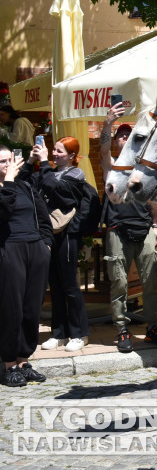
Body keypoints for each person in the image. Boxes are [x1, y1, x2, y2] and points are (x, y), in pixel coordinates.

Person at [100, 103, 157, 353]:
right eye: (121, 135)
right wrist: (108, 123)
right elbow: (103, 148)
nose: (124, 138)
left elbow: (150, 201)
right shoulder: (111, 166)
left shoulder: (141, 168)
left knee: (151, 282)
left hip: (145, 228)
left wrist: (155, 225)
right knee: (119, 282)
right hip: (117, 228)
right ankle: (122, 329)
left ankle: (152, 328)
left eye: (128, 135)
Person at [27, 137, 91, 351]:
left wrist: (44, 163)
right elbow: (25, 182)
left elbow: (59, 192)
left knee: (70, 285)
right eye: (53, 150)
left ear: (72, 155)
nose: (54, 154)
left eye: (59, 151)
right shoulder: (47, 172)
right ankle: (59, 333)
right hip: (48, 233)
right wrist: (30, 161)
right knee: (54, 285)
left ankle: (79, 333)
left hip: (68, 235)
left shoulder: (75, 174)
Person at [0, 147, 52, 386]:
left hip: (35, 249)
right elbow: (3, 210)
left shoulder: (25, 187)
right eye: (2, 162)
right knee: (12, 307)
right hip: (9, 249)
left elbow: (43, 217)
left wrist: (46, 244)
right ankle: (9, 362)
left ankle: (24, 360)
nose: (8, 165)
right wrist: (9, 181)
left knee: (32, 308)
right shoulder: (9, 187)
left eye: (10, 160)